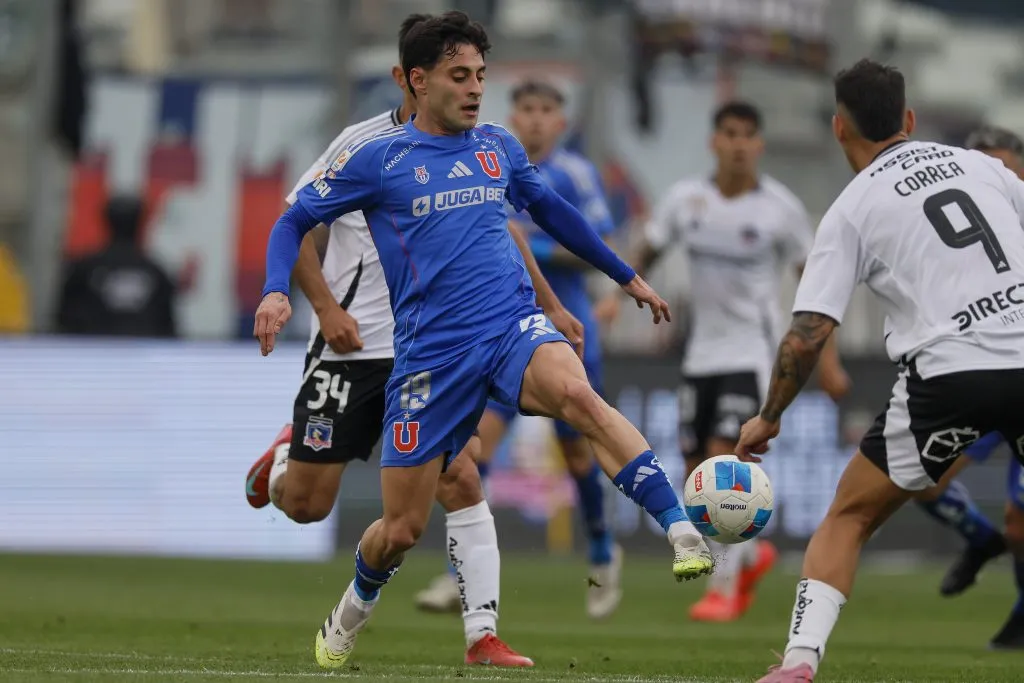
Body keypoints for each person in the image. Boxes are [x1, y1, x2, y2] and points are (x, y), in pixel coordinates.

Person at [254, 11, 712, 670]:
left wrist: (624, 273)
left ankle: (680, 528)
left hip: (507, 328)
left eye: (481, 76)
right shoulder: (377, 158)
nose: (475, 89)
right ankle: (352, 608)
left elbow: (546, 212)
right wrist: (278, 290)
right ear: (417, 81)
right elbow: (294, 218)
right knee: (401, 529)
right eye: (459, 76)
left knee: (577, 395)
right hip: (428, 359)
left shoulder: (496, 145)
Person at [735, 59, 1024, 682]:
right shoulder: (986, 168)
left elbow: (809, 335)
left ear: (840, 130)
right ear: (910, 118)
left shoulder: (851, 208)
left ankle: (799, 664)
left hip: (951, 375)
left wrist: (768, 416)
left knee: (850, 516)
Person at [599, 101, 850, 622]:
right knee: (695, 474)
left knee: (722, 464)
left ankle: (726, 588)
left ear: (758, 144)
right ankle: (751, 557)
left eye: (747, 135)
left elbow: (815, 287)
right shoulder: (686, 200)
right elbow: (647, 250)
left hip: (751, 353)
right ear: (714, 141)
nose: (737, 144)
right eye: (729, 134)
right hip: (699, 355)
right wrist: (612, 296)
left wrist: (826, 361)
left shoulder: (780, 209)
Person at [414, 79, 624, 620]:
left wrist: (525, 244)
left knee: (578, 451)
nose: (534, 119)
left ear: (561, 122)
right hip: (497, 327)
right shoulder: (483, 160)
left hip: (563, 333)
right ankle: (457, 569)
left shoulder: (574, 175)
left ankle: (602, 550)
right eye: (526, 109)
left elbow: (593, 247)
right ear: (514, 114)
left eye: (546, 110)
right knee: (473, 446)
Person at [909, 125, 1024, 648]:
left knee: (1021, 522)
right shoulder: (954, 230)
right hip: (973, 377)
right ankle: (980, 540)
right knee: (918, 479)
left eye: (1001, 166)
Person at [56, 195, 177, 337]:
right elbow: (169, 329)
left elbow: (63, 321)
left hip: (92, 354)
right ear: (141, 222)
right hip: (142, 355)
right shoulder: (156, 272)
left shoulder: (83, 269)